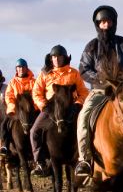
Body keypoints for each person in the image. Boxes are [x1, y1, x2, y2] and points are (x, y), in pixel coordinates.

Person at [74, 5, 123, 179]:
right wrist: (102, 80)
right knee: (83, 117)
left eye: (108, 21)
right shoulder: (91, 46)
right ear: (97, 24)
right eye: (102, 22)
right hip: (100, 91)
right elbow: (84, 69)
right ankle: (84, 159)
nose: (106, 25)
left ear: (114, 23)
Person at [30, 45, 89, 175]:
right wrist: (43, 105)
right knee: (34, 131)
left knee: (87, 128)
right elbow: (36, 92)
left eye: (59, 56)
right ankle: (40, 163)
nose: (56, 59)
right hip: (50, 108)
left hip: (71, 109)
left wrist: (78, 104)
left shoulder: (73, 73)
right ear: (51, 58)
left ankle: (85, 160)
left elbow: (84, 92)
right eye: (53, 57)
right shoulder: (45, 73)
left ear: (65, 58)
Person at [1, 59, 37, 154]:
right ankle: (5, 145)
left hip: (30, 110)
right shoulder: (12, 82)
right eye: (18, 67)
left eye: (22, 67)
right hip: (17, 110)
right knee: (4, 125)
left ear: (26, 68)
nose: (21, 69)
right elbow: (9, 96)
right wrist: (12, 107)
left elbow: (37, 94)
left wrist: (34, 107)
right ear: (16, 69)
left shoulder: (33, 81)